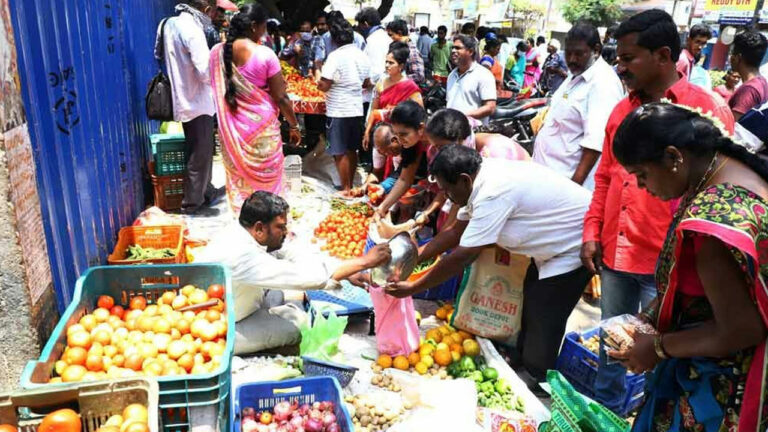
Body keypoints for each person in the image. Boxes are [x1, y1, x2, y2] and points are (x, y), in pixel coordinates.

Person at [581, 9, 735, 412]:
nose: (620, 66)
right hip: (617, 249)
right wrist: (592, 230)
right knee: (613, 340)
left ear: (663, 56)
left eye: (629, 58)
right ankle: (606, 411)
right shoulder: (620, 111)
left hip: (665, 261)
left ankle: (649, 411)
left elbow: (716, 188)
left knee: (661, 354)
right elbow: (605, 178)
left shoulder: (703, 112)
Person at [608, 103, 768, 432]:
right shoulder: (723, 168)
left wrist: (657, 347)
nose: (641, 187)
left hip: (721, 384)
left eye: (642, 175)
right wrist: (651, 314)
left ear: (673, 157)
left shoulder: (710, 228)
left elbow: (742, 329)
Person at [387, 145, 592, 393]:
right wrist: (413, 258)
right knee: (529, 300)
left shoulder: (493, 191)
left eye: (447, 190)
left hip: (574, 245)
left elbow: (463, 255)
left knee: (544, 312)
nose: (446, 196)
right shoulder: (478, 179)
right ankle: (521, 357)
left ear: (463, 180)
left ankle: (540, 378)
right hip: (549, 247)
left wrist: (414, 286)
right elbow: (454, 232)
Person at [196, 191, 391, 354]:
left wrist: (346, 269)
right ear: (259, 229)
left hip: (242, 300)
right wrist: (364, 261)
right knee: (299, 326)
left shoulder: (242, 232)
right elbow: (306, 277)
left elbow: (290, 252)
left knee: (291, 298)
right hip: (220, 327)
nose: (285, 231)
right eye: (280, 227)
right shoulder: (242, 255)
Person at [209, 4, 301, 215]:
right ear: (253, 27)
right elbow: (282, 97)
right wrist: (295, 126)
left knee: (238, 181)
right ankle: (271, 224)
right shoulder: (265, 55)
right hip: (262, 132)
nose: (265, 31)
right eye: (263, 26)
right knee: (268, 184)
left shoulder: (216, 53)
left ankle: (247, 224)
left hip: (232, 133)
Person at [532, 22, 623, 191]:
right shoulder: (576, 74)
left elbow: (594, 145)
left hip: (566, 186)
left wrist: (572, 190)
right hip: (548, 179)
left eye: (579, 54)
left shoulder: (603, 83)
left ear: (596, 50)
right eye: (568, 53)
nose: (572, 59)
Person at [155, 0, 222, 216]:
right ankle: (192, 205)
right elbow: (204, 71)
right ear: (206, 10)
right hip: (197, 101)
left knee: (200, 150)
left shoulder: (168, 24)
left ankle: (206, 192)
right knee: (199, 154)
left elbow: (159, 56)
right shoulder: (193, 30)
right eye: (212, 12)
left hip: (184, 97)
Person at [419, 108, 530, 230]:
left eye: (440, 147)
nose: (437, 152)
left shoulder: (493, 155)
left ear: (460, 140)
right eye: (435, 147)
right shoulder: (459, 153)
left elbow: (458, 228)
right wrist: (427, 213)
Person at [317, 18, 371, 196]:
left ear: (333, 39)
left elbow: (324, 85)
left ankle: (345, 188)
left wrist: (318, 77)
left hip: (338, 110)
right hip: (356, 108)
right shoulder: (362, 56)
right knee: (351, 148)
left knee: (339, 151)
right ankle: (351, 185)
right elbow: (366, 83)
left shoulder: (335, 56)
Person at [372, 100, 429, 218]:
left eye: (403, 134)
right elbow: (404, 179)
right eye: (397, 134)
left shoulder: (440, 140)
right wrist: (382, 208)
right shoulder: (412, 144)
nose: (400, 140)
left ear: (421, 128)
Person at [362, 42, 423, 150]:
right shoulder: (380, 84)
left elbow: (419, 113)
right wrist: (367, 132)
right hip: (381, 133)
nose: (387, 65)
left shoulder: (410, 87)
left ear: (401, 66)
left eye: (391, 63)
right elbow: (374, 110)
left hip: (401, 138)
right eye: (386, 62)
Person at [446, 35, 497, 124]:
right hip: (452, 129)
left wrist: (463, 117)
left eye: (458, 48)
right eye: (452, 48)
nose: (453, 51)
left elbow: (490, 107)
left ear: (470, 51)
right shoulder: (451, 75)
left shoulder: (483, 75)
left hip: (473, 132)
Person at [355, 8, 392, 112]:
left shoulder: (374, 41)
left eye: (360, 25)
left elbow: (377, 70)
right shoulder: (383, 37)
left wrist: (366, 83)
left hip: (373, 95)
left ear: (365, 24)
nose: (359, 28)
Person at [728, 30, 768, 121]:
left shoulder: (749, 89)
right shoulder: (762, 82)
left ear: (737, 57)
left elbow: (730, 126)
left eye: (732, 52)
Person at [387, 19, 425, 84]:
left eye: (391, 35)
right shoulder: (396, 48)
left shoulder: (412, 51)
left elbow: (419, 76)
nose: (390, 38)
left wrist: (398, 79)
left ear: (399, 33)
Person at [311, 12, 328, 79]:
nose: (319, 27)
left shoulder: (335, 40)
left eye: (322, 24)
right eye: (317, 24)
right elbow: (311, 58)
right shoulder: (314, 39)